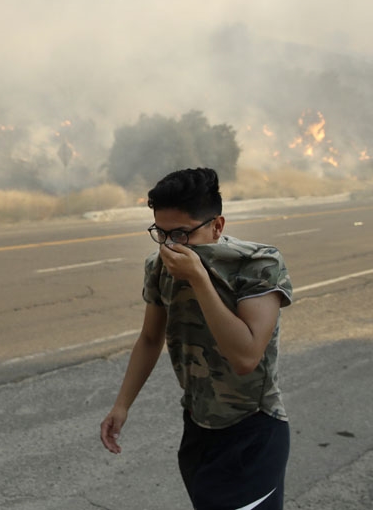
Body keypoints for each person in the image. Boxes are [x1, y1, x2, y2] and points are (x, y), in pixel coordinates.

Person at [99, 167, 293, 510]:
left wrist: (199, 280)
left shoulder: (257, 264)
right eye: (161, 233)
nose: (171, 245)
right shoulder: (159, 267)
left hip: (252, 433)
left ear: (217, 226)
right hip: (198, 428)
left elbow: (246, 357)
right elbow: (149, 338)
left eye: (182, 234)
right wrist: (122, 405)